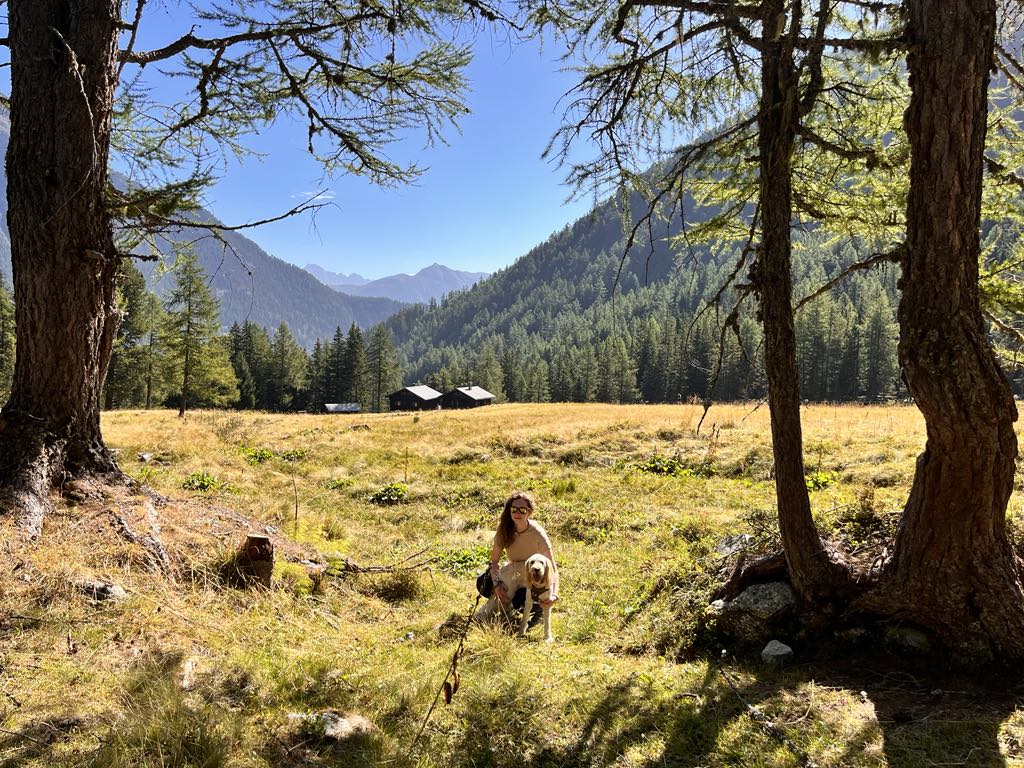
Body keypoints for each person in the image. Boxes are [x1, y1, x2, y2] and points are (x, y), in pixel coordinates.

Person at [475, 491, 559, 624]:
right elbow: (495, 561)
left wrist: (554, 595)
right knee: (483, 583)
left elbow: (553, 568)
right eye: (514, 509)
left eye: (522, 510)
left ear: (529, 512)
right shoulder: (504, 529)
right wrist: (497, 585)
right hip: (514, 572)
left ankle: (540, 612)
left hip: (533, 575)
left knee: (521, 600)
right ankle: (501, 610)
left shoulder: (537, 532)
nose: (517, 513)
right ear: (509, 511)